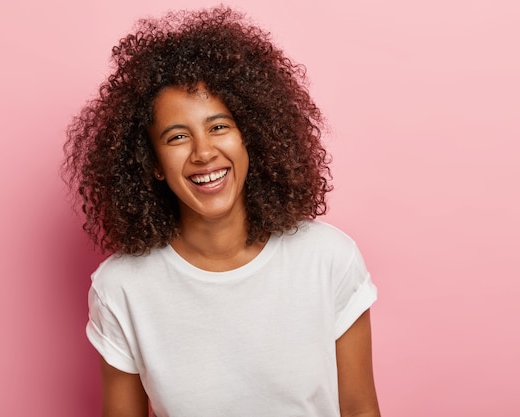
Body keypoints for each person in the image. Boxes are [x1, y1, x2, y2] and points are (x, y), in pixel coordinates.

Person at [64, 5, 381, 417]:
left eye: (219, 127)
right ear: (153, 163)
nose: (203, 153)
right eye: (178, 136)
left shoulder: (328, 259)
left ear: (251, 135)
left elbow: (360, 409)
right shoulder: (122, 289)